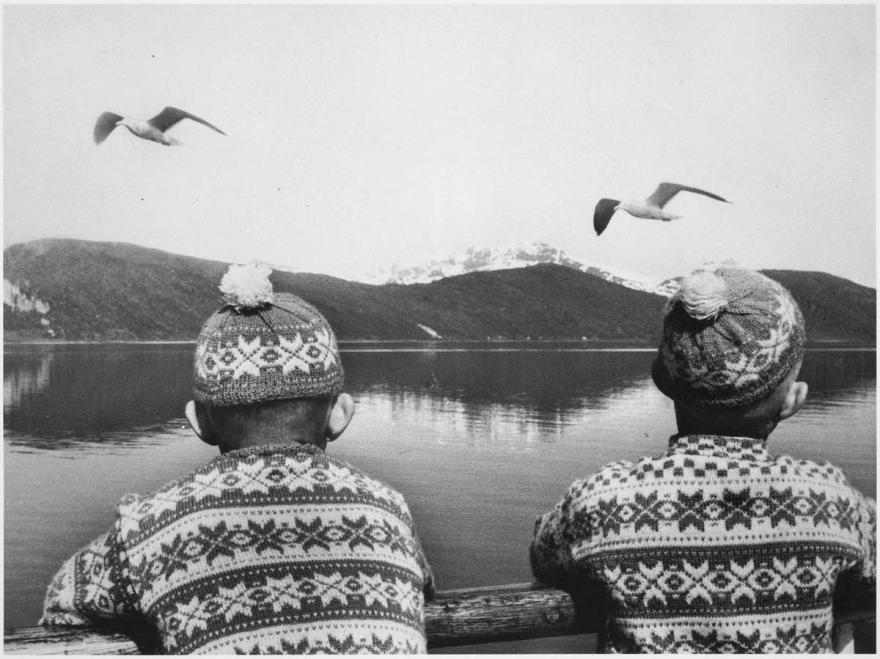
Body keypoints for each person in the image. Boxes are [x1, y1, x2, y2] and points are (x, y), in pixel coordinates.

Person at [40, 263, 435, 654]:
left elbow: (64, 601)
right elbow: (423, 589)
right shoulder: (387, 509)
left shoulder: (151, 528)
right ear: (340, 414)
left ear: (199, 422)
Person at [530, 266, 875, 653]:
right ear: (795, 399)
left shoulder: (601, 501)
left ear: (664, 383)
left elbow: (544, 554)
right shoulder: (830, 501)